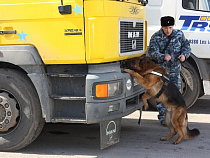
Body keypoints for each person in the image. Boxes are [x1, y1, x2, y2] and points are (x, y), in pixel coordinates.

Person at [147, 16, 191, 126]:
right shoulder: (156, 37)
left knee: (176, 94)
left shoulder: (179, 35)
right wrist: (163, 56)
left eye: (170, 27)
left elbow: (186, 46)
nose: (168, 30)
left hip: (175, 70)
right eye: (166, 28)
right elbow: (152, 52)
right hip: (162, 72)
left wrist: (184, 55)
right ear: (162, 27)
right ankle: (163, 118)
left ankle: (177, 116)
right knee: (161, 94)